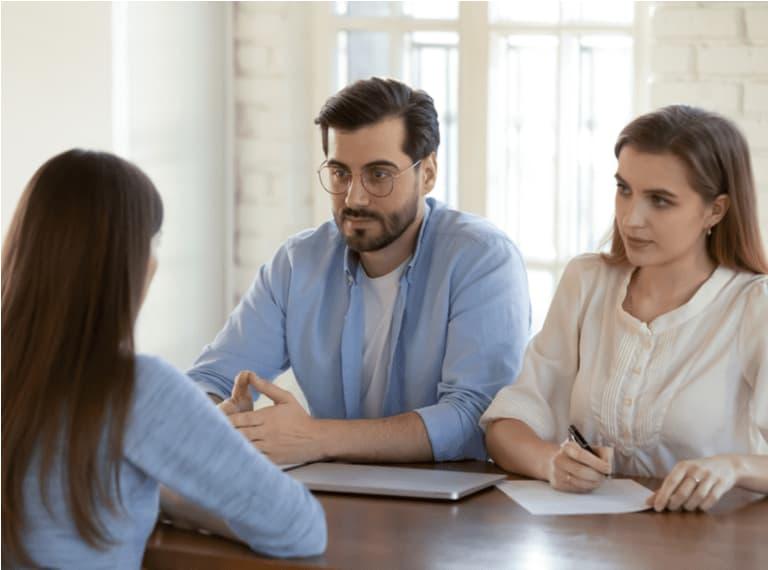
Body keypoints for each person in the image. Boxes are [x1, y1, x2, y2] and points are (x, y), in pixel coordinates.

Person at [1, 150, 326, 568]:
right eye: (151, 243)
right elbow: (300, 527)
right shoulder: (134, 389)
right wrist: (181, 463)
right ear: (131, 263)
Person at [189, 77, 530, 465]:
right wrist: (217, 417)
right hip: (334, 497)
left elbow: (474, 416)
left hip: (455, 504)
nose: (355, 197)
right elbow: (209, 380)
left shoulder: (482, 259)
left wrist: (316, 437)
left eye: (379, 175)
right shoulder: (298, 263)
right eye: (340, 173)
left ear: (429, 173)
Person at [481, 105, 768, 512]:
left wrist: (735, 467)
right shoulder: (587, 281)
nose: (632, 218)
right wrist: (551, 463)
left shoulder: (753, 304)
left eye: (661, 200)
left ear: (715, 210)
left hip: (711, 545)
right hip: (592, 544)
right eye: (624, 189)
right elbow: (508, 424)